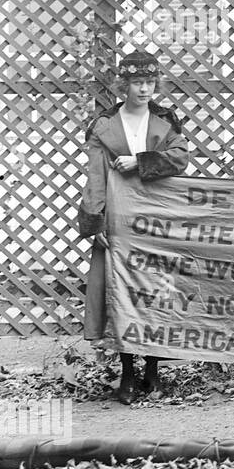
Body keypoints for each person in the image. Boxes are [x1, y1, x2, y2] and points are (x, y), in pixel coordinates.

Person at [77, 50, 190, 404]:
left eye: (150, 82)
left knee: (155, 292)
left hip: (157, 220)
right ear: (124, 85)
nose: (144, 89)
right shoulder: (105, 125)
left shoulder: (165, 120)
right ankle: (127, 375)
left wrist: (141, 162)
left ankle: (153, 373)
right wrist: (95, 220)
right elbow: (96, 177)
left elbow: (181, 157)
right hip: (119, 222)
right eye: (138, 83)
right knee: (122, 294)